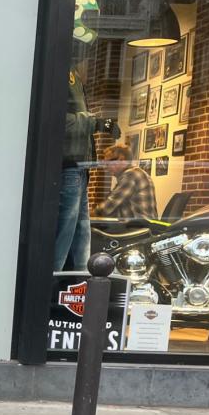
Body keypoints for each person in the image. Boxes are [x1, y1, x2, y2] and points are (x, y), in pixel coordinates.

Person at [55, 68, 118, 271]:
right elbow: (55, 118)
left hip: (78, 166)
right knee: (67, 233)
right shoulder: (63, 71)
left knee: (79, 233)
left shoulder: (72, 74)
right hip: (70, 165)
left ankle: (77, 280)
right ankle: (53, 280)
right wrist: (95, 123)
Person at [97, 145, 156, 220]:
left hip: (140, 225)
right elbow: (114, 210)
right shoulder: (131, 174)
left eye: (108, 162)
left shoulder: (131, 174)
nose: (106, 167)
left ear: (121, 159)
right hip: (136, 224)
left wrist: (87, 214)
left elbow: (107, 208)